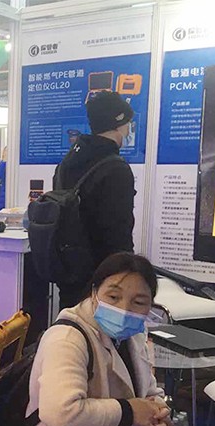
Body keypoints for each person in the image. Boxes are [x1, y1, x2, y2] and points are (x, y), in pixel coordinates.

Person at [18, 252, 195, 426]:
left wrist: (158, 409)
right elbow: (59, 414)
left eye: (138, 302)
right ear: (94, 293)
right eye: (113, 296)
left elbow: (148, 389)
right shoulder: (67, 338)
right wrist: (130, 411)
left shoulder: (133, 333)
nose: (124, 309)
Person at [53, 91, 136, 309]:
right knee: (98, 330)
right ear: (119, 124)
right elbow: (118, 231)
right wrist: (126, 275)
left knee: (72, 326)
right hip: (103, 277)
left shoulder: (66, 164)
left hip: (69, 271)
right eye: (128, 123)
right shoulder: (116, 168)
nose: (128, 129)